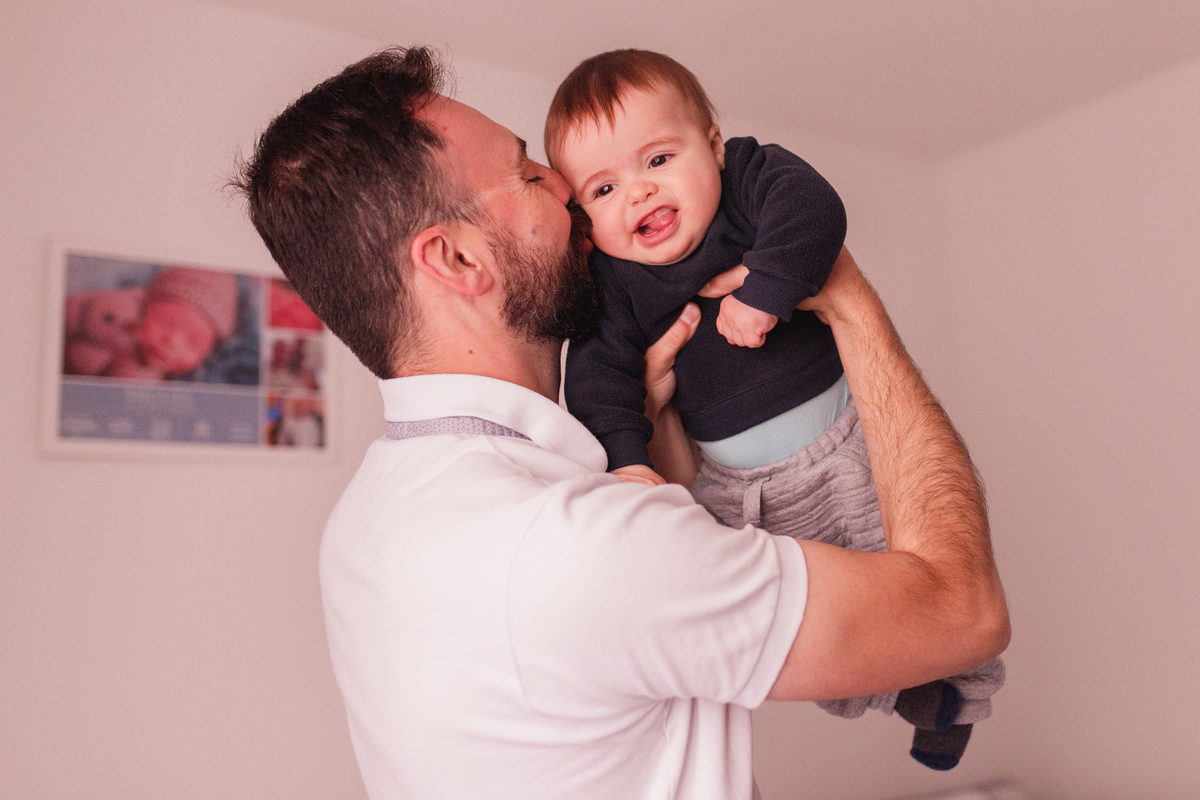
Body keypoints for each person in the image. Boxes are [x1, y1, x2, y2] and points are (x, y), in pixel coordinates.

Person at [233, 46, 1008, 800]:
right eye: (528, 173)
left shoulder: (366, 526)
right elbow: (961, 614)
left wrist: (658, 446)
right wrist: (850, 301)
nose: (568, 189)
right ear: (460, 261)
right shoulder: (576, 543)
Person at [546, 49, 1001, 767]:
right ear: (583, 218)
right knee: (810, 619)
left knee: (916, 572)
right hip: (734, 488)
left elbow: (815, 209)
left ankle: (958, 697)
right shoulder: (613, 285)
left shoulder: (750, 185)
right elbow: (597, 379)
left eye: (658, 159)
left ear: (715, 146)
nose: (638, 192)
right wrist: (628, 461)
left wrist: (766, 291)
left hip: (845, 444)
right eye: (604, 189)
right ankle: (903, 695)